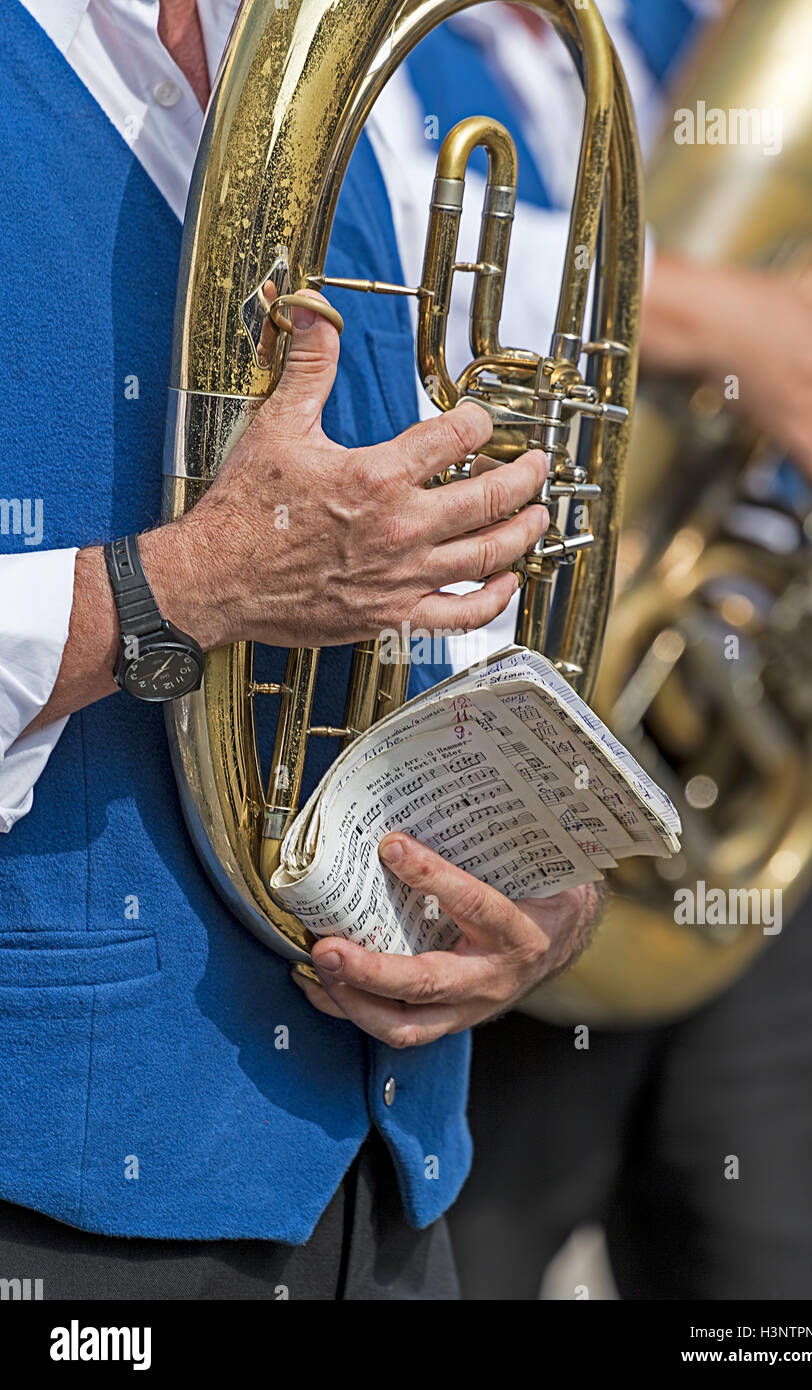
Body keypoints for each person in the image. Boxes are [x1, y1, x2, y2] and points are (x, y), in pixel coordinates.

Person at [0, 0, 603, 1301]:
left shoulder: (309, 74)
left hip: (383, 1183)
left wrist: (521, 881)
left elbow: (404, 565)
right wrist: (192, 582)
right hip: (60, 1214)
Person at [384, 2, 812, 1299]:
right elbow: (368, 255)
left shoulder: (649, 37)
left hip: (720, 827)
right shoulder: (379, 42)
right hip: (487, 801)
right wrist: (715, 316)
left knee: (789, 1274)